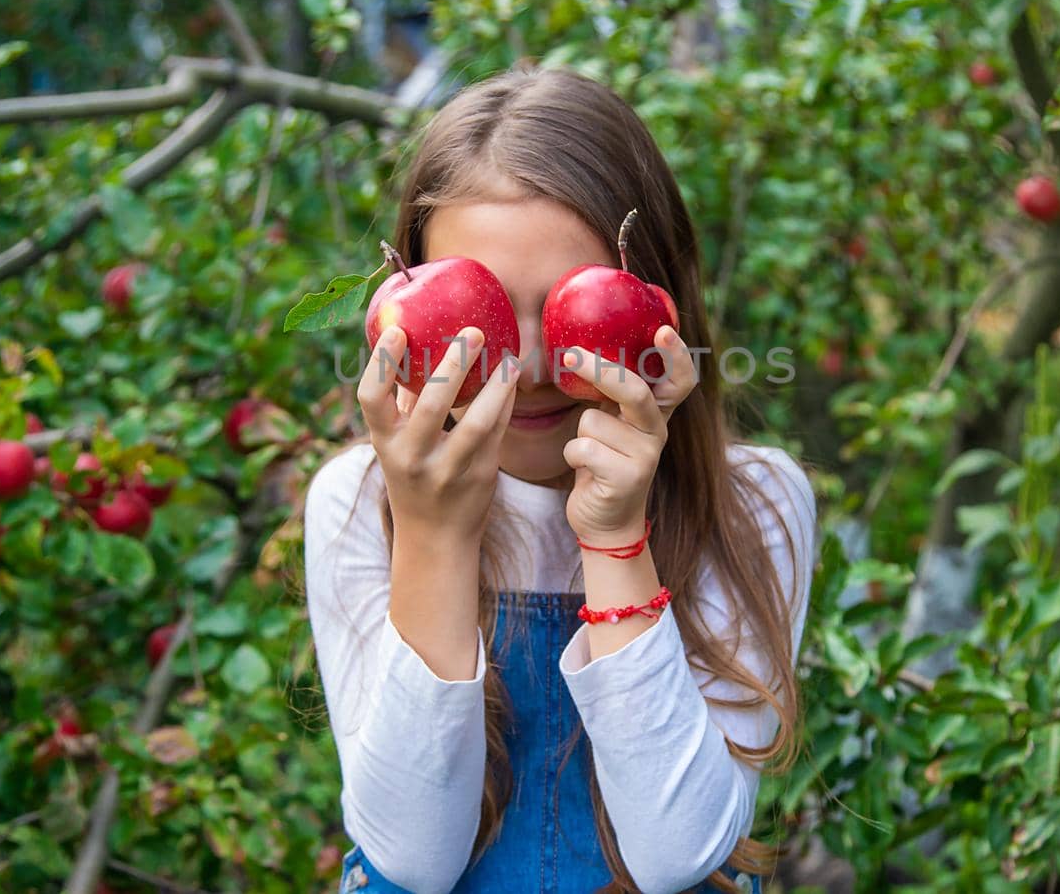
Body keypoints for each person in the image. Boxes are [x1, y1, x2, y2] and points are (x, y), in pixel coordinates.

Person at [301, 64, 818, 894]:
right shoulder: (358, 501)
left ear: (660, 304)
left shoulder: (754, 502)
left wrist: (617, 534)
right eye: (485, 314)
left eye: (577, 306)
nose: (536, 364)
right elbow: (412, 860)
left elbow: (678, 856)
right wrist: (434, 533)